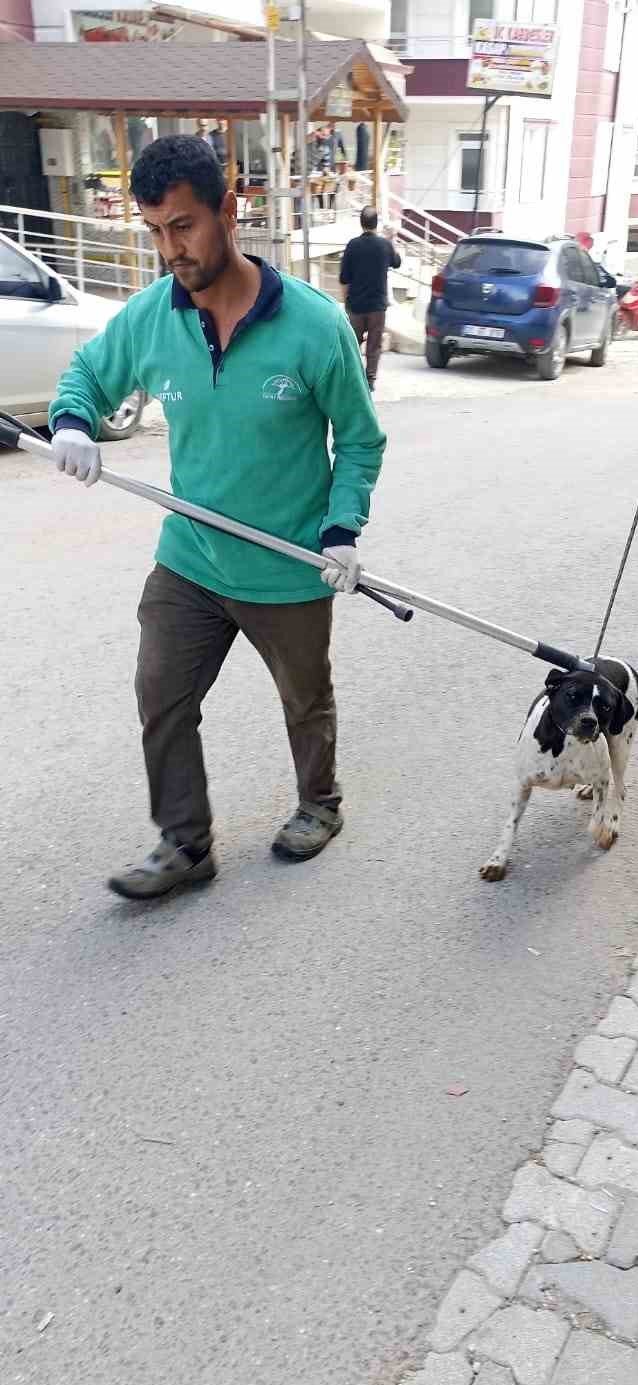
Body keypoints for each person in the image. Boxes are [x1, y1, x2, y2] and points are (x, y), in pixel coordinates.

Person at [49, 135, 386, 900]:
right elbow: (89, 376)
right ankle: (184, 843)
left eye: (183, 225)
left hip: (288, 562)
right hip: (192, 558)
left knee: (305, 700)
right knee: (161, 696)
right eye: (154, 231)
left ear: (228, 211)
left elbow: (360, 439)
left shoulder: (312, 325)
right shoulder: (151, 317)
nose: (170, 248)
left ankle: (319, 803)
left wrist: (341, 530)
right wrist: (72, 422)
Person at [339, 207, 401, 392]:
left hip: (356, 305)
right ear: (376, 224)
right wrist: (392, 241)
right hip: (377, 306)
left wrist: (346, 301)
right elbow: (397, 262)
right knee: (374, 345)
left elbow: (344, 278)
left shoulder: (352, 245)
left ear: (361, 223)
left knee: (353, 344)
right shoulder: (384, 245)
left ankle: (352, 378)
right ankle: (370, 380)